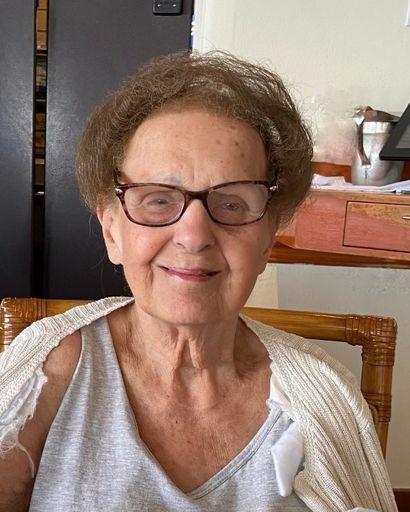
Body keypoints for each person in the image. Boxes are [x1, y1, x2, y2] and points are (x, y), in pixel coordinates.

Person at [0, 51, 397, 512]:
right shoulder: (50, 368)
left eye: (231, 204)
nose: (193, 236)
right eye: (157, 200)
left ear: (268, 239)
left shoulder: (323, 397)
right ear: (112, 231)